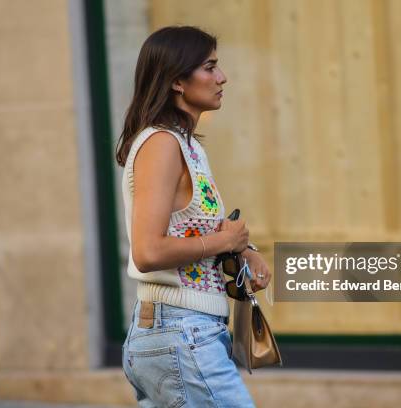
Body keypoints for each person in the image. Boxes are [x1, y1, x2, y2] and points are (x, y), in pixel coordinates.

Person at [115, 26, 271, 407]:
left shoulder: (186, 145)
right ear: (177, 82)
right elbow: (147, 252)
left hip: (183, 333)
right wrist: (225, 241)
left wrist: (243, 249)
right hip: (180, 333)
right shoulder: (162, 144)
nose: (222, 78)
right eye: (209, 67)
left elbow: (187, 228)